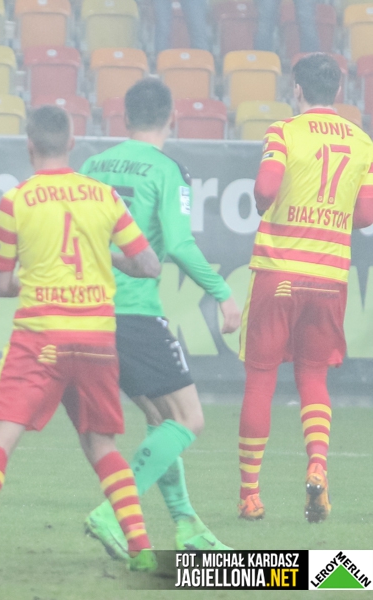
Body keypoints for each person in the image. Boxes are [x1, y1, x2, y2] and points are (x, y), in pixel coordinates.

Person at [0, 106, 162, 573]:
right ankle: (142, 548)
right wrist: (105, 259)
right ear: (72, 144)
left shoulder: (16, 201)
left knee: (1, 436)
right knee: (101, 445)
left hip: (40, 337)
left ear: (29, 145)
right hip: (96, 339)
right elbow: (149, 265)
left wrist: (33, 280)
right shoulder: (104, 196)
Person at [79, 78, 241, 558]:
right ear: (172, 117)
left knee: (160, 418)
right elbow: (179, 244)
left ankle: (186, 523)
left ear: (124, 117)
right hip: (133, 312)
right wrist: (223, 294)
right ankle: (113, 511)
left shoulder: (91, 165)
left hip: (87, 309)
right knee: (189, 418)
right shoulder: (168, 170)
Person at [237, 53, 373, 523]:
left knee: (261, 377)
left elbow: (266, 188)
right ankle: (317, 465)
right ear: (338, 91)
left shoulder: (284, 132)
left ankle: (250, 495)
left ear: (297, 89)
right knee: (314, 376)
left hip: (279, 273)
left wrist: (264, 207)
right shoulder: (362, 143)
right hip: (330, 278)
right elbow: (365, 215)